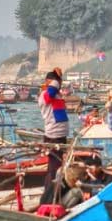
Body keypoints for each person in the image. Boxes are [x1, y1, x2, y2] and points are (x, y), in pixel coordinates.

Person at [39, 68, 70, 205]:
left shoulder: (56, 94)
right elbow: (51, 90)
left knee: (56, 166)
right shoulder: (45, 94)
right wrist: (55, 79)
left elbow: (56, 88)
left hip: (61, 135)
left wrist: (58, 79)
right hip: (53, 135)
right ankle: (49, 197)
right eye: (55, 82)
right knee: (53, 168)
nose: (58, 84)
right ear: (48, 82)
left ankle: (53, 193)